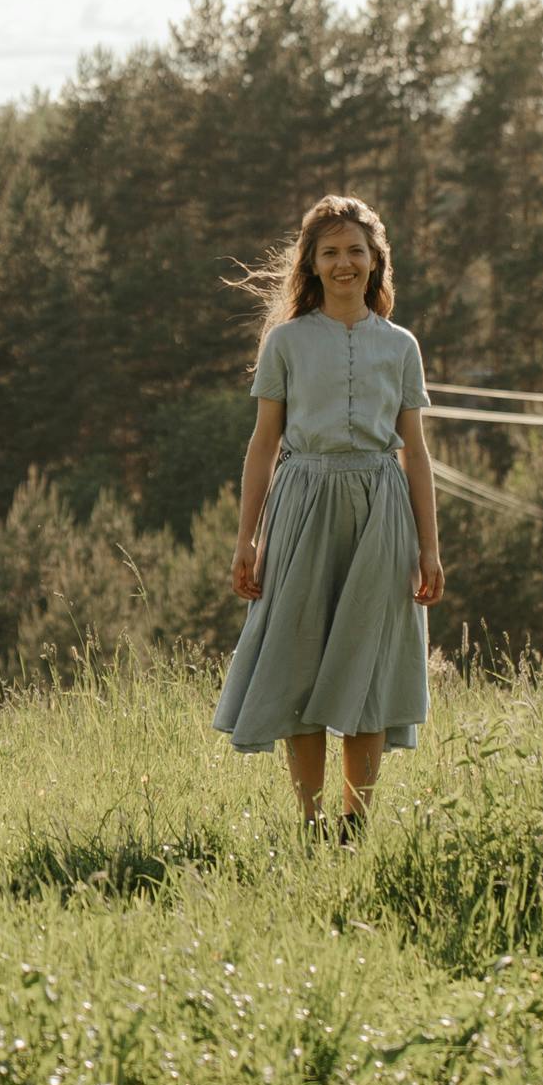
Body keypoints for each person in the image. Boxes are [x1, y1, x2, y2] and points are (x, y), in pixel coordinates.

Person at [213, 192, 443, 832]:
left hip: (380, 511)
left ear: (376, 262)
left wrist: (429, 547)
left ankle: (355, 825)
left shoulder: (399, 346)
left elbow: (416, 454)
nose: (344, 264)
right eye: (331, 253)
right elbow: (263, 445)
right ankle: (311, 821)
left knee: (368, 662)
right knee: (300, 656)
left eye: (355, 252)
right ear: (312, 265)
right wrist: (246, 540)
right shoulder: (286, 342)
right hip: (302, 503)